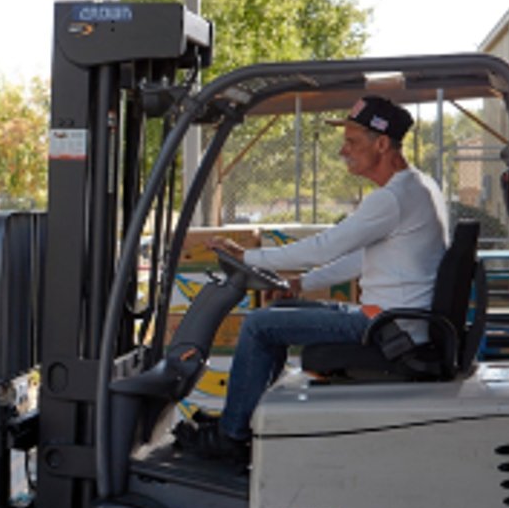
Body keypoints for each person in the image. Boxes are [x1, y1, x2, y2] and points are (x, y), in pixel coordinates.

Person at [184, 95, 449, 462]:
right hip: (394, 322)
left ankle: (231, 436)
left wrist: (247, 256)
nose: (344, 151)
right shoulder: (420, 188)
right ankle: (246, 422)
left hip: (390, 328)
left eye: (353, 141)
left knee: (259, 325)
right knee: (281, 315)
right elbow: (359, 257)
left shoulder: (392, 198)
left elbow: (325, 247)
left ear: (382, 143)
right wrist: (299, 284)